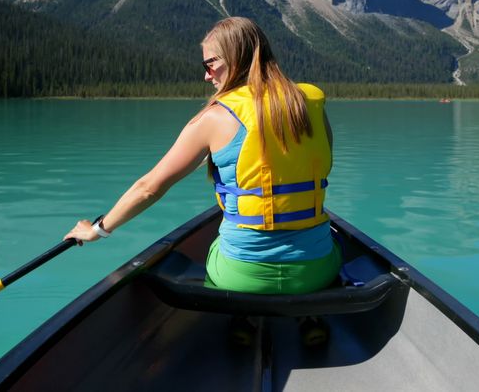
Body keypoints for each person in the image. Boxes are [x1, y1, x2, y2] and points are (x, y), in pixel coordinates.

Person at [64, 17, 340, 295]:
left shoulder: (215, 117)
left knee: (217, 245)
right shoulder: (310, 103)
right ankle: (309, 320)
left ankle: (240, 321)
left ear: (235, 58)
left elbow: (148, 189)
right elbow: (321, 164)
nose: (207, 75)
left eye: (210, 64)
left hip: (243, 275)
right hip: (315, 270)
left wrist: (97, 230)